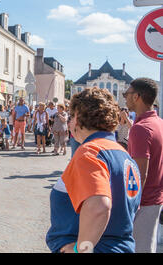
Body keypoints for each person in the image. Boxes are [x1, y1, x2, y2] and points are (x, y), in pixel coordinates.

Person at [46, 87, 142, 253]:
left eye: (71, 116)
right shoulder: (124, 155)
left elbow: (100, 206)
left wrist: (80, 249)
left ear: (78, 118)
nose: (69, 123)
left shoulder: (90, 152)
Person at [124, 78, 163, 253]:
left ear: (137, 97)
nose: (125, 97)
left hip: (144, 202)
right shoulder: (158, 123)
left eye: (127, 94)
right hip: (155, 199)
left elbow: (139, 174)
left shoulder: (141, 129)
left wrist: (130, 206)